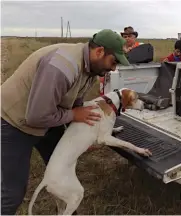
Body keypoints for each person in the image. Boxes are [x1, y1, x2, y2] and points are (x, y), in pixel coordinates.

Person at [1, 29, 129, 215]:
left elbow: (74, 103)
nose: (114, 68)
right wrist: (73, 116)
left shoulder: (91, 69)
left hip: (46, 119)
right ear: (100, 52)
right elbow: (36, 116)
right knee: (12, 193)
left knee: (63, 169)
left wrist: (82, 136)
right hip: (13, 123)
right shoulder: (61, 67)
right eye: (114, 61)